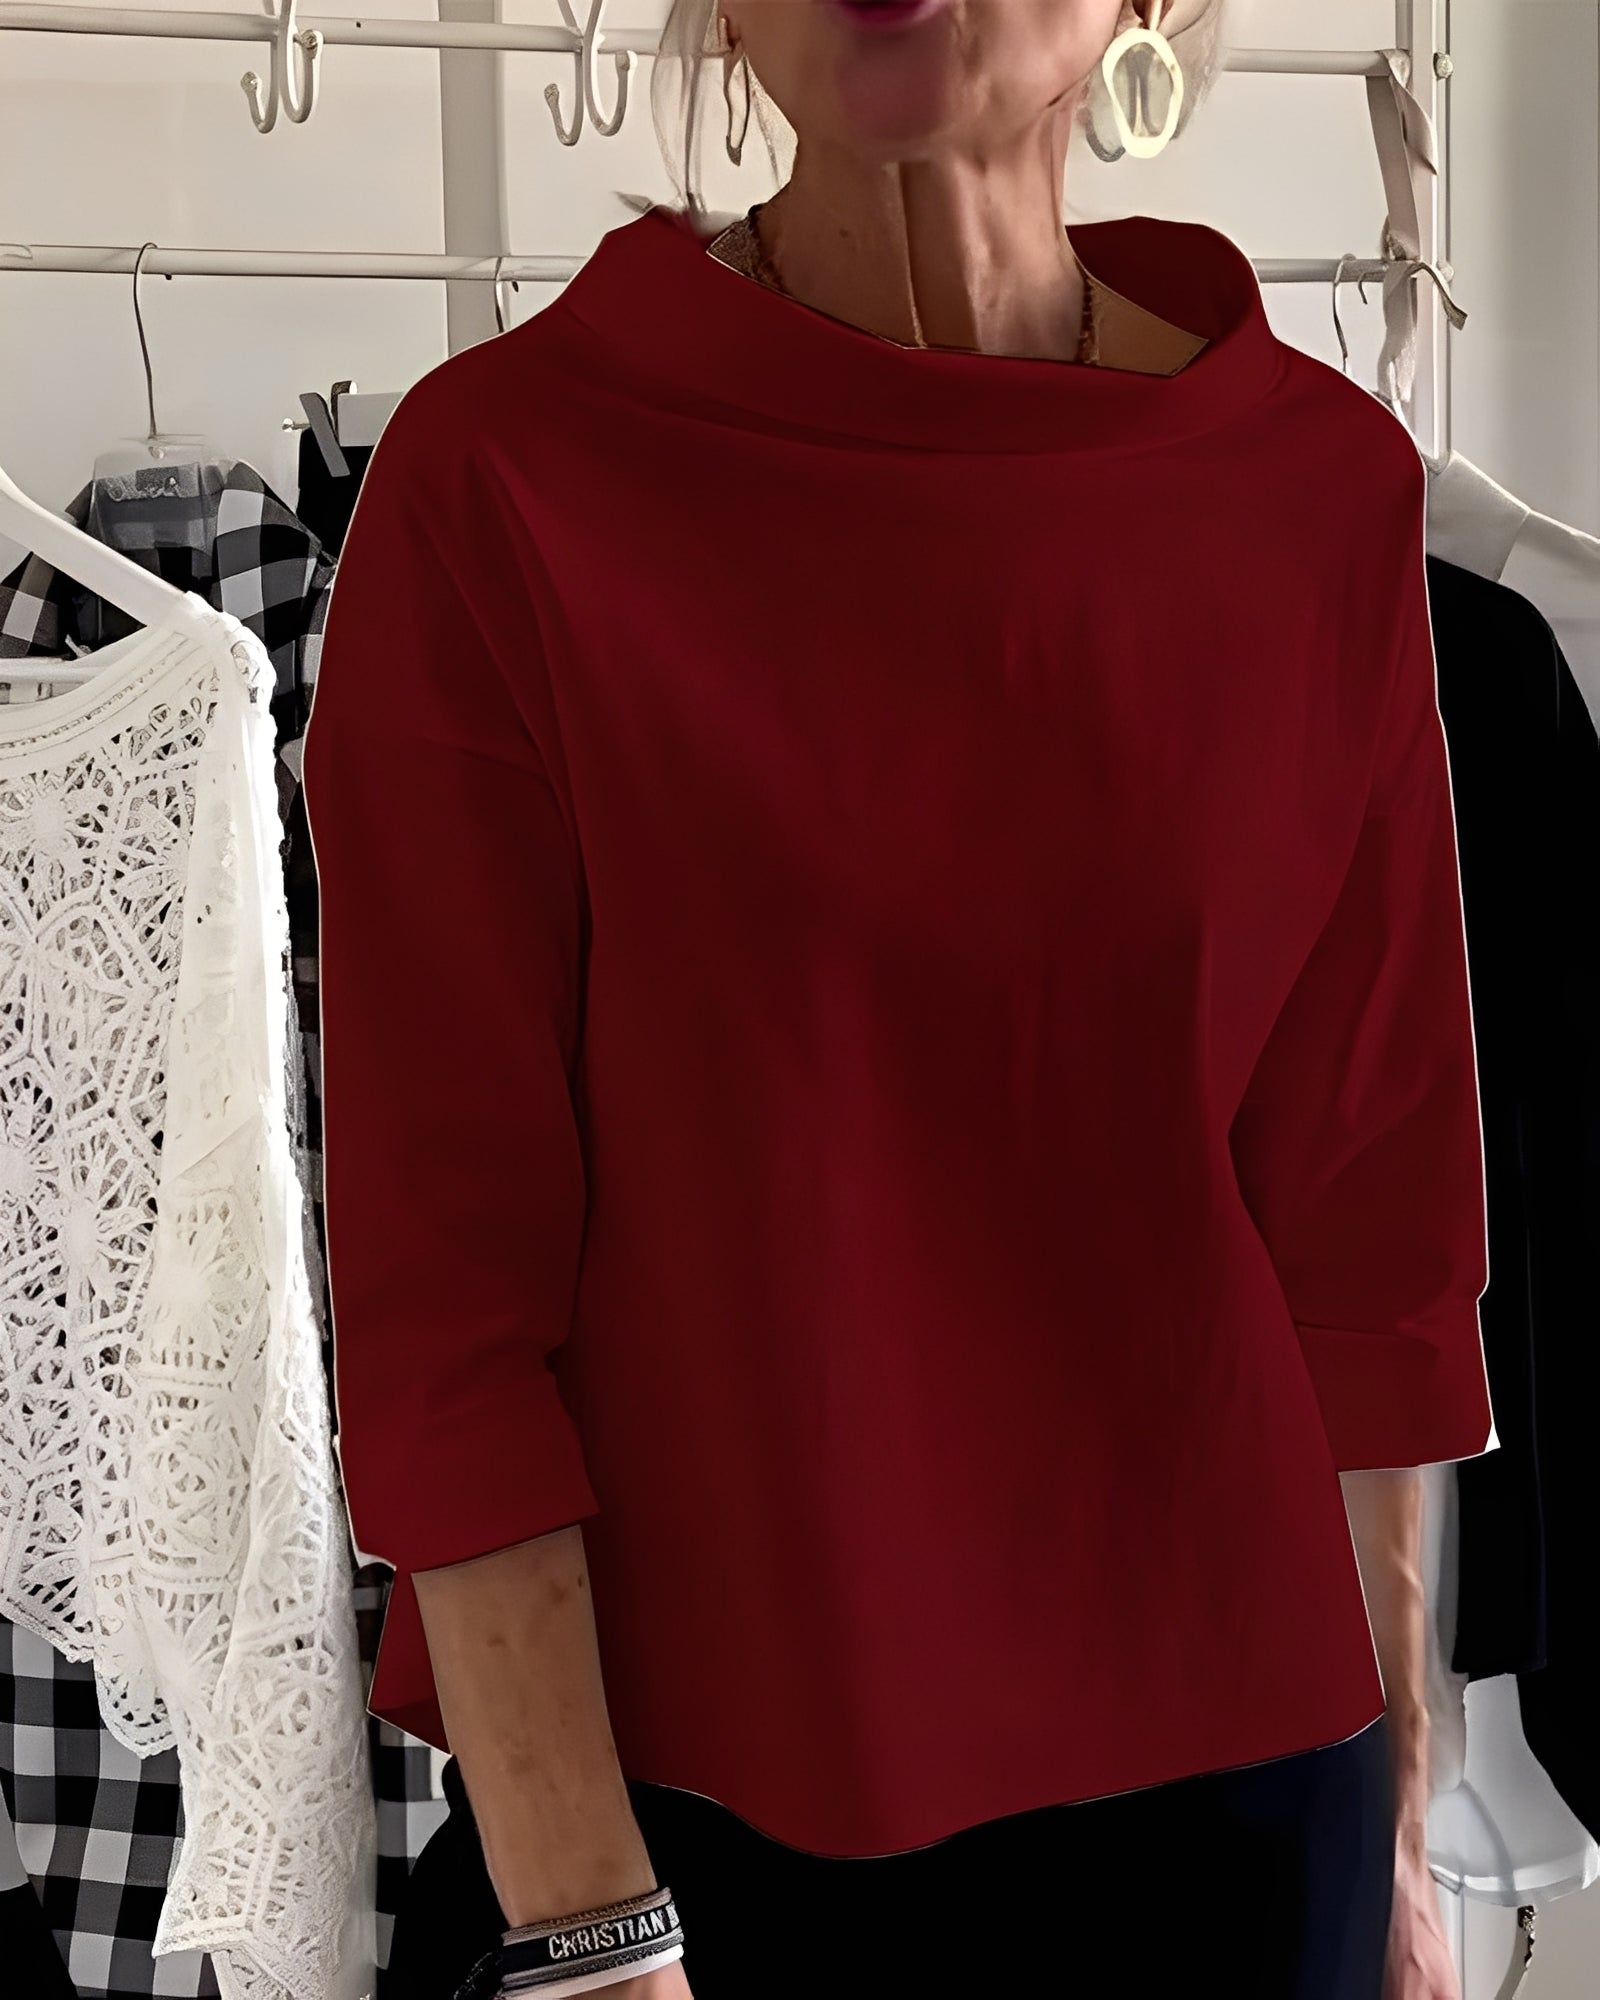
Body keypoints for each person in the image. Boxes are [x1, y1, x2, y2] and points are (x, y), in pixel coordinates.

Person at [303, 3, 1496, 1995]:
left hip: (1247, 1811)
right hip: (698, 1847)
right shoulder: (506, 483)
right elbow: (445, 1308)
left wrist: (1399, 1831)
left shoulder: (1312, 492)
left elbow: (1367, 1245)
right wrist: (590, 1929)